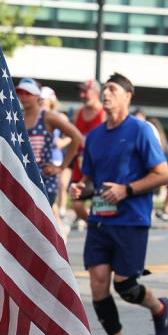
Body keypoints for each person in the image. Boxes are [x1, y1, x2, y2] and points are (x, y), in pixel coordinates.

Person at [69, 73, 168, 335]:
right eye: (104, 90)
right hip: (100, 218)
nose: (106, 94)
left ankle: (158, 307)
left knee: (126, 286)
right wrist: (81, 188)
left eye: (113, 89)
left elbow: (163, 175)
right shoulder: (95, 137)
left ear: (129, 95)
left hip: (131, 218)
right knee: (98, 283)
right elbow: (90, 180)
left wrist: (126, 190)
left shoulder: (141, 131)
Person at [15, 78, 83, 236]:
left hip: (45, 179)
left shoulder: (47, 116)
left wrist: (61, 167)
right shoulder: (17, 118)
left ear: (37, 97)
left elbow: (76, 137)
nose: (23, 97)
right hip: (23, 179)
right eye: (20, 93)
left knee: (37, 225)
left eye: (27, 93)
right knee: (24, 226)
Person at [68, 79, 106, 226]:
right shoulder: (78, 113)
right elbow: (72, 138)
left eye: (86, 91)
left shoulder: (103, 113)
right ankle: (94, 225)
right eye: (81, 92)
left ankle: (100, 227)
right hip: (80, 164)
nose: (82, 95)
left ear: (96, 92)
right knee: (76, 205)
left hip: (98, 165)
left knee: (100, 205)